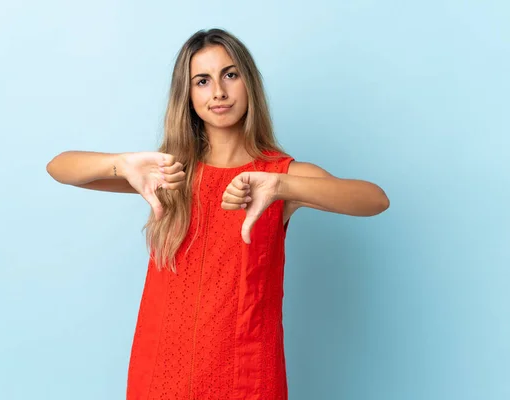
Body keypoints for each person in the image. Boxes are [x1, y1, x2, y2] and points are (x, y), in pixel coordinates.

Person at [47, 28, 389, 400]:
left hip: (247, 373)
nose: (219, 93)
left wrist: (281, 187)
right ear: (188, 94)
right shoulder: (170, 172)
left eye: (230, 75)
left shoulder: (279, 176)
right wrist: (121, 163)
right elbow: (59, 167)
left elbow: (374, 199)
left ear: (249, 82)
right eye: (202, 81)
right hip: (163, 370)